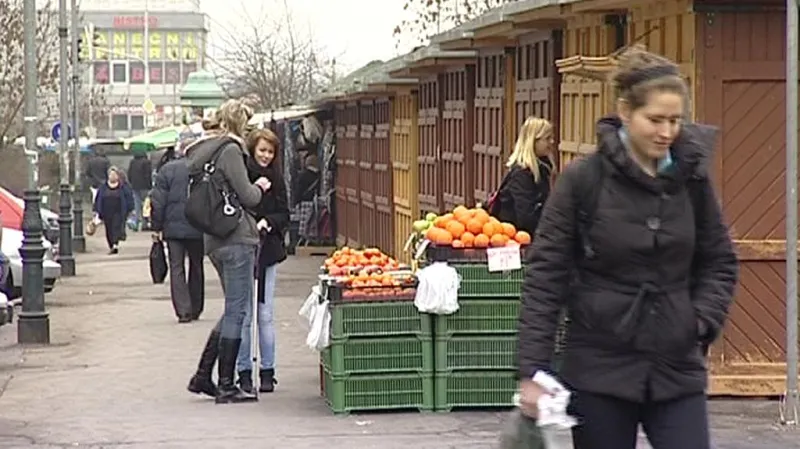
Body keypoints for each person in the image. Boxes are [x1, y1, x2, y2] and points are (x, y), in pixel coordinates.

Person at [515, 46, 739, 449]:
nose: (667, 132)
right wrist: (533, 369)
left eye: (675, 121)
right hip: (599, 368)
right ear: (624, 111)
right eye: (655, 120)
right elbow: (546, 276)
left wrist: (699, 321)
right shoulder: (583, 181)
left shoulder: (693, 181)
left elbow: (719, 260)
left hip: (676, 367)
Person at [185, 100, 272, 404]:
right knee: (238, 309)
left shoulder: (201, 152)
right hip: (236, 238)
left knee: (233, 307)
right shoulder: (231, 150)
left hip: (213, 238)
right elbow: (248, 196)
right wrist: (260, 187)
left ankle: (202, 375)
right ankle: (225, 384)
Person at [236, 129, 290, 394]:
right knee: (245, 315)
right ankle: (244, 371)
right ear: (253, 150)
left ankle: (268, 371)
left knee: (265, 315)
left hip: (268, 251)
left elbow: (284, 213)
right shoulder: (242, 175)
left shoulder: (278, 178)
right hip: (243, 250)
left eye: (270, 151)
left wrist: (268, 222)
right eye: (262, 150)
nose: (266, 156)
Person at [150, 143, 205, 324]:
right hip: (198, 225)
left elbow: (158, 201)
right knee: (196, 265)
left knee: (176, 267)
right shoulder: (201, 168)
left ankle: (183, 310)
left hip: (173, 227)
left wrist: (156, 227)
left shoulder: (167, 170)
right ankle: (196, 307)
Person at [491, 117, 554, 235]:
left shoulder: (542, 168)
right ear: (533, 141)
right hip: (513, 237)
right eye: (547, 138)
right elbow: (526, 217)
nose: (552, 142)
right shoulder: (522, 174)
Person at [93, 167, 134, 255]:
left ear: (118, 176)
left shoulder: (122, 187)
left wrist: (130, 209)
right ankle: (111, 245)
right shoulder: (103, 187)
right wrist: (96, 210)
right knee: (109, 229)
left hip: (118, 211)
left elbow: (128, 198)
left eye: (114, 174)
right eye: (111, 174)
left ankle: (115, 244)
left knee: (116, 227)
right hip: (106, 212)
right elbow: (98, 199)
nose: (112, 176)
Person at [295, 152, 320, 244]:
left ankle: (303, 239)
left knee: (304, 223)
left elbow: (298, 190)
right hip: (315, 201)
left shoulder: (303, 175)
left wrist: (296, 201)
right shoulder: (319, 176)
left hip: (304, 201)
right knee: (312, 222)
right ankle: (311, 239)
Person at [127, 149, 153, 231]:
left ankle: (136, 223)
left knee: (137, 206)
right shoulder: (147, 162)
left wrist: (131, 183)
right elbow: (148, 175)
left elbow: (129, 174)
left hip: (135, 186)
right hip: (145, 186)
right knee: (146, 205)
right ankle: (144, 224)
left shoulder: (132, 162)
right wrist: (150, 186)